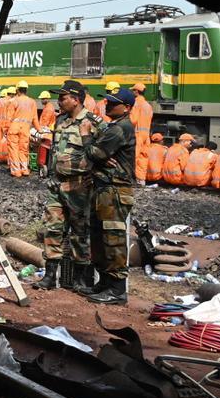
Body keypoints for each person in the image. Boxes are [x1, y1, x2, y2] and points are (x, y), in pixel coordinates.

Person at [35, 80, 104, 290]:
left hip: (79, 187)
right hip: (57, 186)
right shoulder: (61, 121)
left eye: (63, 98)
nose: (59, 101)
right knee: (52, 229)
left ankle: (81, 279)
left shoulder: (93, 123)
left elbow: (103, 151)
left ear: (76, 99)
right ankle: (49, 276)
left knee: (79, 233)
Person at [82, 87, 137, 304]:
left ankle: (117, 289)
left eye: (114, 104)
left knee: (112, 239)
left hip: (114, 190)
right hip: (104, 188)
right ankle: (104, 283)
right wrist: (99, 155)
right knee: (100, 238)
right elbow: (100, 154)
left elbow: (96, 153)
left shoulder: (120, 128)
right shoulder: (114, 127)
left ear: (127, 108)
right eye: (108, 102)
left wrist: (87, 138)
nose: (108, 106)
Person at [6, 80, 39, 178]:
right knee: (23, 149)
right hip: (25, 130)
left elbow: (9, 118)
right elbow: (35, 119)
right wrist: (39, 130)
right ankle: (24, 169)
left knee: (13, 149)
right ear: (26, 90)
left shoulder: (13, 101)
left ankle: (16, 171)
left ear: (17, 90)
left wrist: (5, 129)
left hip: (14, 128)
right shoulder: (32, 102)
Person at [128, 83, 154, 185]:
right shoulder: (148, 105)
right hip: (146, 135)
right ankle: (141, 180)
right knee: (143, 157)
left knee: (133, 157)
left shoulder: (136, 103)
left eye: (133, 90)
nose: (132, 92)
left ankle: (130, 180)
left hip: (137, 133)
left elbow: (133, 120)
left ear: (136, 92)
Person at [36, 91, 57, 169]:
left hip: (47, 131)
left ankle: (41, 162)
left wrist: (39, 129)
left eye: (42, 99)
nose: (41, 100)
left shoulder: (48, 108)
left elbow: (45, 122)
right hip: (48, 130)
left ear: (47, 99)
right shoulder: (48, 106)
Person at [0, 88, 14, 163]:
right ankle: (4, 156)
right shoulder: (9, 102)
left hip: (0, 124)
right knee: (5, 142)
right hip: (5, 125)